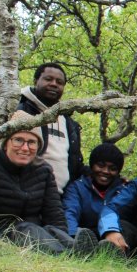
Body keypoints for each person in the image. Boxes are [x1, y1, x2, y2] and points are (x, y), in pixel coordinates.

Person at [0, 112, 97, 255]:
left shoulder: (43, 170)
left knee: (52, 230)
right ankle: (69, 256)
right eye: (18, 140)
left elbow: (54, 214)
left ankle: (86, 250)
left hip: (36, 232)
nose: (25, 148)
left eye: (32, 142)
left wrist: (61, 235)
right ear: (6, 143)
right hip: (5, 232)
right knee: (28, 229)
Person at [17, 62, 84, 193]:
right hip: (26, 193)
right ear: (36, 81)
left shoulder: (69, 123)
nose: (54, 84)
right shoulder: (20, 112)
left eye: (59, 82)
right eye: (48, 79)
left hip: (59, 198)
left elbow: (75, 163)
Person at [62, 143, 127, 237]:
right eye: (101, 165)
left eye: (112, 168)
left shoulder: (124, 190)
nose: (105, 171)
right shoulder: (77, 188)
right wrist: (73, 237)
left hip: (114, 236)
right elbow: (69, 214)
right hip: (84, 236)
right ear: (92, 165)